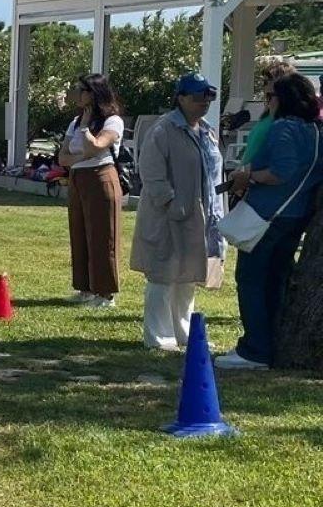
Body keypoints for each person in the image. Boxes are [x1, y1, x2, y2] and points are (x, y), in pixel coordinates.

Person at [217, 72, 323, 370]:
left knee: (250, 280)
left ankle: (254, 349)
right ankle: (272, 342)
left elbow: (281, 172)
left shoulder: (283, 128)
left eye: (270, 97)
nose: (267, 102)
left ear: (283, 99)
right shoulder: (316, 131)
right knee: (276, 280)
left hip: (267, 214)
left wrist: (247, 176)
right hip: (296, 216)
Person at [130, 73, 225, 350]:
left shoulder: (206, 130)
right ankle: (159, 336)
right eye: (197, 98)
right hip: (168, 217)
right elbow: (152, 174)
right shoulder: (163, 129)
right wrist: (171, 203)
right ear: (181, 98)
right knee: (162, 276)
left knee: (188, 276)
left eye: (208, 97)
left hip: (201, 215)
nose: (203, 103)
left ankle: (183, 332)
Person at [58, 73, 124, 308]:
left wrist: (86, 130)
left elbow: (96, 146)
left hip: (100, 177)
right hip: (78, 177)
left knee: (102, 235)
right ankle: (85, 288)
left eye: (81, 90)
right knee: (79, 233)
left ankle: (105, 294)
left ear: (94, 94)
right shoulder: (74, 122)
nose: (77, 94)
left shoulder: (112, 121)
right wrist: (81, 154)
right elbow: (63, 157)